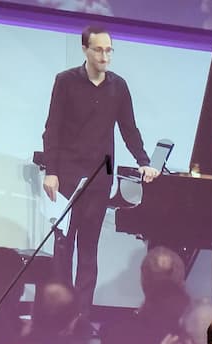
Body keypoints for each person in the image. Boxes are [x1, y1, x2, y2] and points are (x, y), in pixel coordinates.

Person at [40, 25, 158, 306]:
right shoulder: (66, 81)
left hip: (100, 176)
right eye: (99, 50)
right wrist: (51, 171)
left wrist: (144, 161)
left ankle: (82, 314)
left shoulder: (118, 86)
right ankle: (60, 312)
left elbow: (129, 129)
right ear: (85, 50)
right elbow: (52, 128)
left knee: (89, 249)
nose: (105, 56)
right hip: (67, 176)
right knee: (63, 247)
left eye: (109, 50)